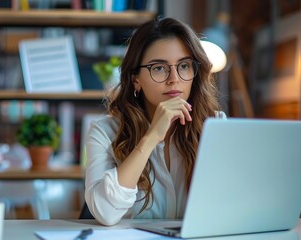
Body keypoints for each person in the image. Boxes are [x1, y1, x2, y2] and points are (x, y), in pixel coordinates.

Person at [84, 17, 226, 226]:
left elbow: (228, 205)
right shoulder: (104, 132)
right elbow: (105, 212)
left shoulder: (214, 126)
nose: (174, 78)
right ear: (136, 79)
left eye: (184, 66)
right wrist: (151, 137)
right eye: (159, 68)